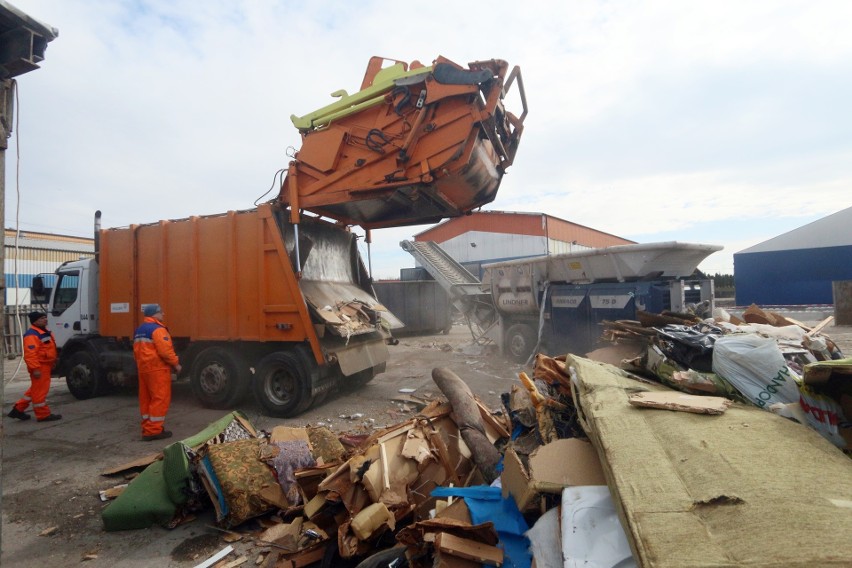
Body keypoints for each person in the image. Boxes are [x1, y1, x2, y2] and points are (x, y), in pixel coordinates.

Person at [133, 304, 181, 441]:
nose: (163, 314)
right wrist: (176, 364)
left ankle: (148, 427)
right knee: (160, 399)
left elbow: (136, 351)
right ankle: (153, 431)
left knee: (146, 400)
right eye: (161, 312)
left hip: (143, 369)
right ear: (155, 314)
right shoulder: (158, 330)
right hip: (157, 369)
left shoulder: (139, 330)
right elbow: (165, 352)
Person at [8, 311, 62, 422]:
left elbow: (48, 349)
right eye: (42, 318)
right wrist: (35, 369)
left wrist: (53, 360)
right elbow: (30, 354)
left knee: (35, 389)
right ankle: (43, 415)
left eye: (45, 317)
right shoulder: (32, 334)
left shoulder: (44, 332)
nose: (45, 319)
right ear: (35, 321)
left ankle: (18, 410)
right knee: (40, 392)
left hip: (45, 366)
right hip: (40, 367)